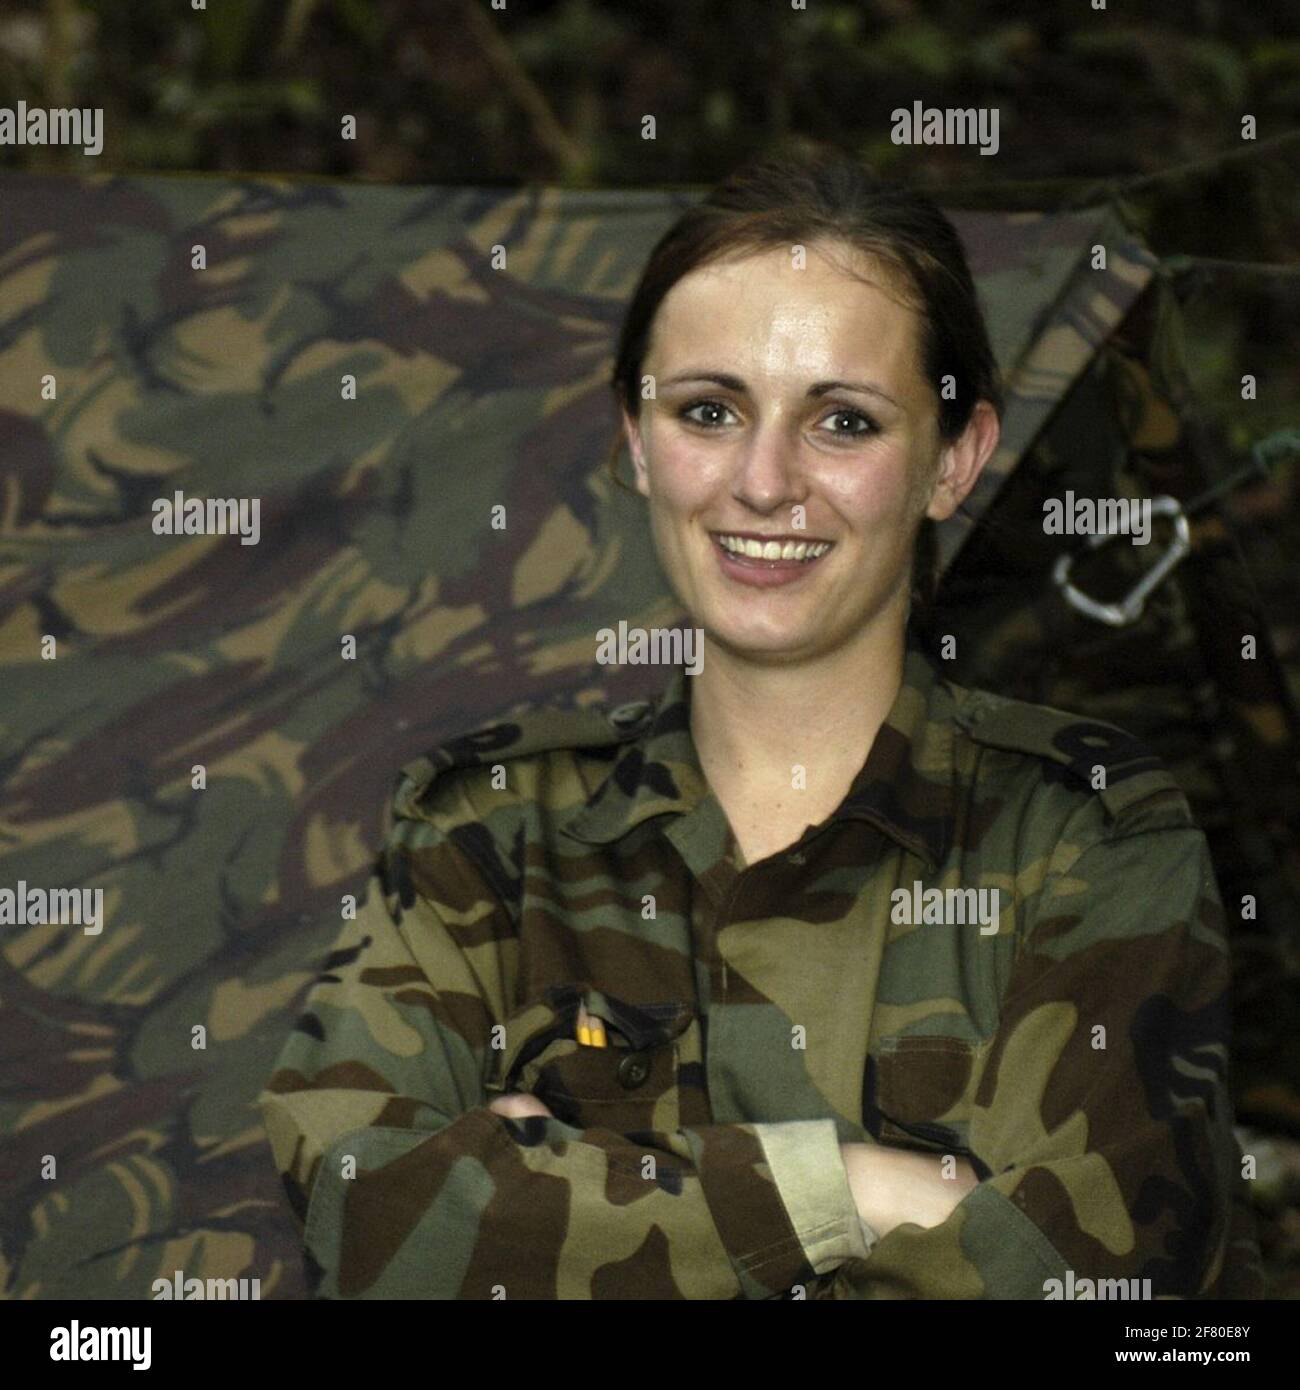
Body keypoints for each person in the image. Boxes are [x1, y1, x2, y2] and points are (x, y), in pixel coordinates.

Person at [257, 142, 1263, 1299]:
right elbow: (371, 1216)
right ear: (636, 442)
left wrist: (558, 1197)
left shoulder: (1087, 839)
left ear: (954, 459)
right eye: (708, 410)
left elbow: (1090, 1283)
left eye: (842, 422)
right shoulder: (486, 836)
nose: (764, 481)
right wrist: (856, 1192)